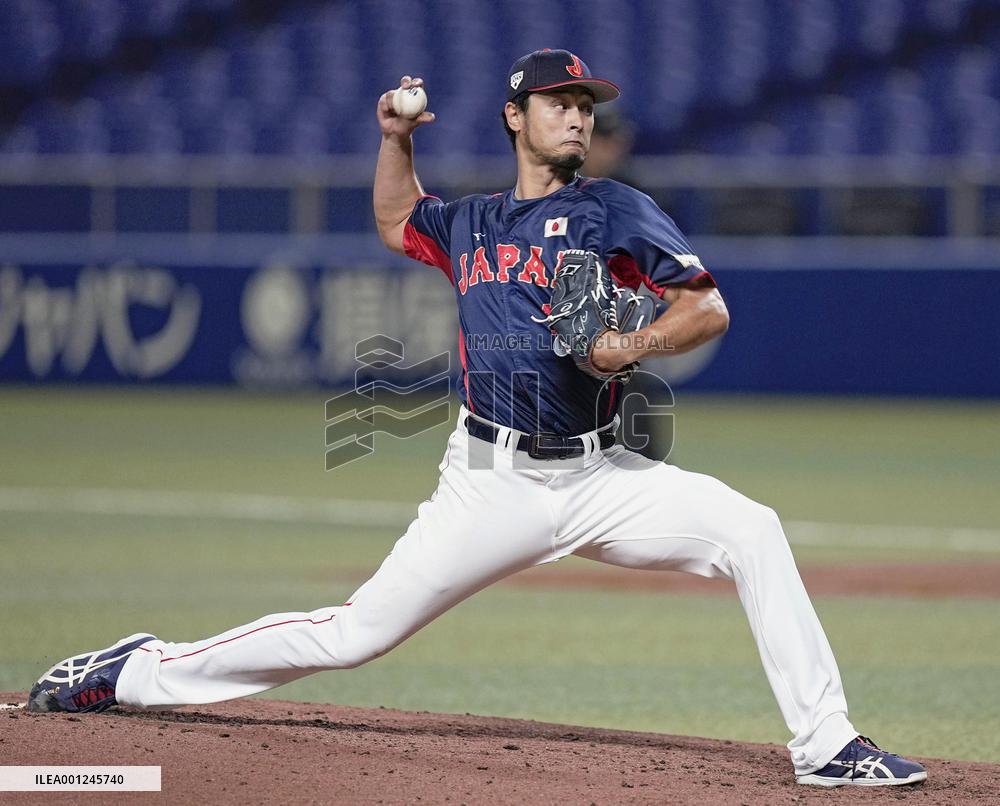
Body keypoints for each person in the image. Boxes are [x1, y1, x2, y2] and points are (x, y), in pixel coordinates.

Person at [27, 49, 926, 789]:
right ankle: (138, 670)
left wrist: (628, 345)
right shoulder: (474, 222)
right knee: (355, 635)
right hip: (491, 483)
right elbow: (396, 220)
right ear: (514, 117)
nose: (578, 118)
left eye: (586, 106)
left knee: (752, 531)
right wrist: (394, 139)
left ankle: (827, 745)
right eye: (559, 103)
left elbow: (707, 308)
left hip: (602, 476)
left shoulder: (614, 208)